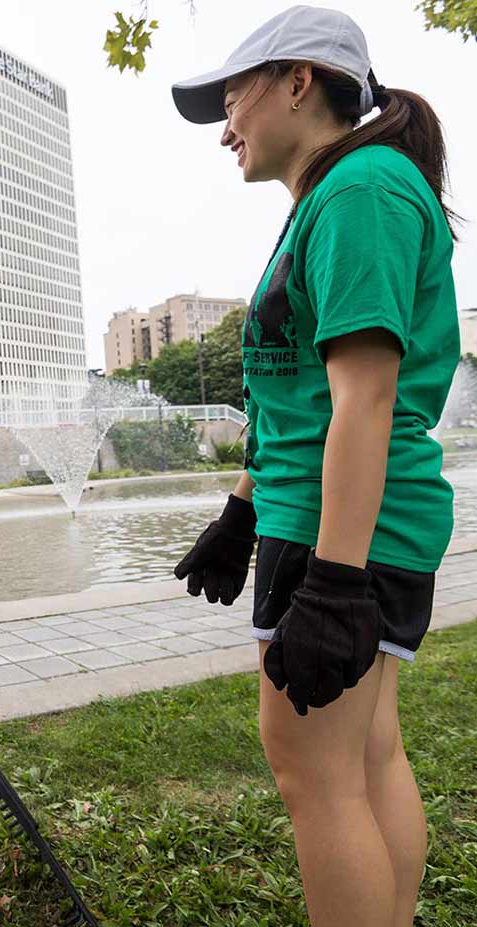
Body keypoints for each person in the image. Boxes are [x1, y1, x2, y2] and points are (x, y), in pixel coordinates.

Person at [171, 8, 459, 926]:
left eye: (232, 99)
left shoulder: (361, 191)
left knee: (315, 774)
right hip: (339, 520)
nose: (225, 127)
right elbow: (301, 396)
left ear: (298, 81)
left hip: (348, 535)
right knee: (367, 755)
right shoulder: (336, 194)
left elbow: (365, 400)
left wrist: (332, 582)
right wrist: (244, 509)